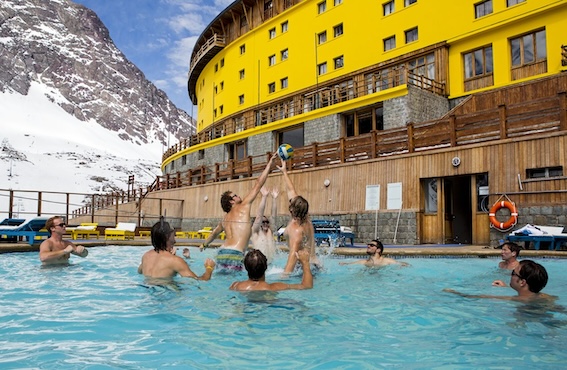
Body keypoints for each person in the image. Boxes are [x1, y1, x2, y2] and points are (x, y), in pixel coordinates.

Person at [199, 153, 278, 272]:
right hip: (236, 253)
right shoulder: (243, 206)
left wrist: (204, 245)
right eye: (234, 196)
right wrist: (270, 164)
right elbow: (258, 184)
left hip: (221, 253)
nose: (238, 196)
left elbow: (214, 234)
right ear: (231, 201)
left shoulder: (224, 220)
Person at [276, 157, 321, 275]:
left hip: (303, 270)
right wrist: (284, 172)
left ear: (292, 209)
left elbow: (293, 256)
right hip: (315, 265)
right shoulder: (306, 217)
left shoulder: (296, 230)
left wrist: (283, 277)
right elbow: (291, 190)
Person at [138, 218, 215, 279]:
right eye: (172, 231)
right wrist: (209, 268)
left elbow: (140, 271)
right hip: (166, 295)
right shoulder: (175, 261)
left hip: (148, 291)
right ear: (167, 236)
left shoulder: (146, 256)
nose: (174, 233)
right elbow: (199, 281)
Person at [444, 260, 554, 302]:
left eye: (513, 273)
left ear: (522, 282)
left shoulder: (519, 300)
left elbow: (480, 297)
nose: (511, 276)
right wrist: (506, 287)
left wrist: (455, 293)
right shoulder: (547, 297)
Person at [230, 249, 313, 291]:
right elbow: (306, 286)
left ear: (246, 267)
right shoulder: (273, 287)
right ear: (266, 267)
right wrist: (305, 262)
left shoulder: (235, 286)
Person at [250, 186, 278, 264]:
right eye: (263, 222)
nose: (265, 223)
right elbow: (259, 215)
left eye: (267, 222)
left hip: (271, 265)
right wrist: (264, 197)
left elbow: (273, 216)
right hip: (258, 264)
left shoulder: (270, 231)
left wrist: (274, 199)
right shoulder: (255, 231)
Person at [339, 239, 409, 267]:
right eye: (368, 245)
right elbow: (347, 265)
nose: (368, 246)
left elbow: (405, 264)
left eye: (372, 245)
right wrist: (344, 264)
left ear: (378, 250)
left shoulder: (386, 261)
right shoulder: (364, 262)